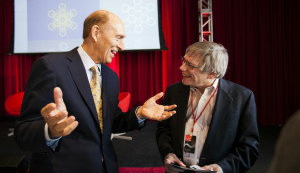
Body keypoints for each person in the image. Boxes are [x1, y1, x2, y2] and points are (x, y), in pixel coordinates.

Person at [14, 10, 176, 173]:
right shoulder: (51, 66)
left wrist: (140, 113)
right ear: (96, 32)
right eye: (118, 37)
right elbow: (23, 133)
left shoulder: (111, 77)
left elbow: (111, 122)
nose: (122, 47)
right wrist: (51, 132)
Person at [156, 41, 259, 173]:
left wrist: (222, 168)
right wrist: (167, 153)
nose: (181, 68)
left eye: (190, 65)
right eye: (184, 61)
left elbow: (249, 147)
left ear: (212, 73)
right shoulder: (173, 91)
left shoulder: (242, 98)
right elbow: (163, 130)